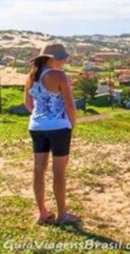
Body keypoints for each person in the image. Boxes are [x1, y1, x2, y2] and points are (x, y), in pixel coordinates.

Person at [24, 42, 80, 225]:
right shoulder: (59, 76)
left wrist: (40, 117)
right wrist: (71, 123)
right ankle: (62, 214)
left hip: (37, 127)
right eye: (62, 58)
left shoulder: (32, 76)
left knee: (38, 169)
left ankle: (42, 212)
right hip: (59, 127)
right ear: (52, 59)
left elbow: (28, 104)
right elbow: (70, 104)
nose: (65, 61)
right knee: (59, 171)